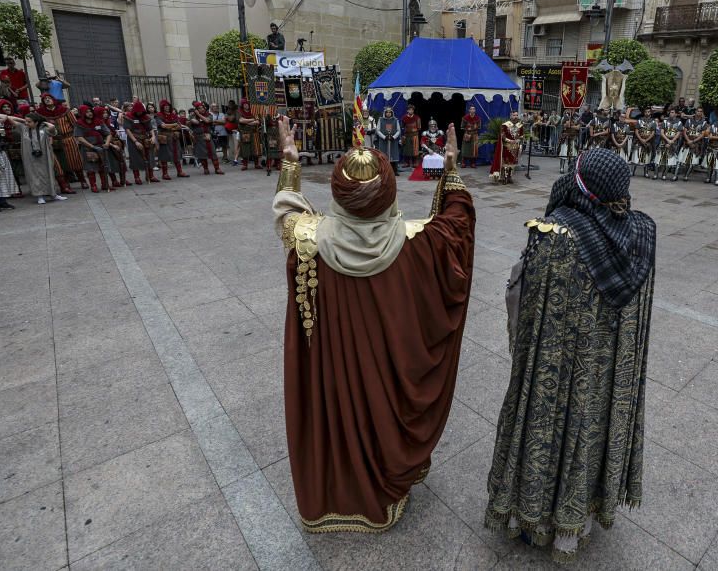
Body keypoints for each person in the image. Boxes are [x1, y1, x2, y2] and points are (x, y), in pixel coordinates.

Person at [272, 117, 474, 534]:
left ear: (337, 192)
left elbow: (285, 216)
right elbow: (457, 224)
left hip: (337, 366)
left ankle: (343, 489)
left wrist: (290, 165)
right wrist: (450, 170)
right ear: (389, 192)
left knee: (344, 405)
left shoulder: (308, 239)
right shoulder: (419, 241)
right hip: (389, 364)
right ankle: (386, 479)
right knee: (382, 405)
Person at [485, 148, 655, 562]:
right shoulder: (643, 234)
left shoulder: (553, 234)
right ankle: (583, 514)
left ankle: (537, 518)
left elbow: (523, 304)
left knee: (548, 425)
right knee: (594, 426)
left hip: (555, 368)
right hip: (608, 371)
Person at [2, 112, 66, 204]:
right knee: (33, 176)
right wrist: (25, 120)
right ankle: (40, 196)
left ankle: (53, 194)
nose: (26, 123)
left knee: (48, 174)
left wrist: (43, 122)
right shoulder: (23, 128)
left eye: (29, 122)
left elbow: (52, 127)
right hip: (30, 157)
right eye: (26, 121)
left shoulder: (44, 129)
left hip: (45, 156)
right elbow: (9, 118)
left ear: (36, 122)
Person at [35, 92, 84, 192]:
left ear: (53, 99)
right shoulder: (40, 113)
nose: (47, 100)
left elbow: (75, 124)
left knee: (75, 159)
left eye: (49, 98)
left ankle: (82, 180)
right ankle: (65, 185)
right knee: (58, 164)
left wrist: (77, 138)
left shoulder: (65, 110)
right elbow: (38, 126)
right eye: (45, 99)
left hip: (68, 138)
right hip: (52, 141)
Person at [73, 103, 109, 192]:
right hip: (87, 149)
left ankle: (105, 184)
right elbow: (79, 137)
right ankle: (93, 186)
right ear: (82, 113)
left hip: (100, 147)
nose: (90, 113)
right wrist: (92, 146)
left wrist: (107, 143)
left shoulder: (98, 121)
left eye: (90, 111)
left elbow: (108, 133)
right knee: (91, 169)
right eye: (87, 112)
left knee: (102, 166)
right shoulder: (79, 123)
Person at [123, 101, 160, 184]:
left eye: (141, 111)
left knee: (149, 157)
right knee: (135, 158)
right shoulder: (129, 116)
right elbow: (127, 130)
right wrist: (135, 141)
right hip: (134, 139)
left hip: (145, 139)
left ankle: (150, 176)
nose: (139, 112)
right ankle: (137, 177)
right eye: (138, 111)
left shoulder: (145, 117)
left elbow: (150, 128)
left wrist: (153, 137)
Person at [155, 100, 189, 179]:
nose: (167, 107)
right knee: (164, 155)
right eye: (165, 106)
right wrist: (173, 125)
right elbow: (163, 126)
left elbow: (179, 126)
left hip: (174, 137)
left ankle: (180, 172)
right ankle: (165, 174)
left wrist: (170, 126)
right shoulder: (158, 115)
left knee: (177, 154)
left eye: (168, 106)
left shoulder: (173, 115)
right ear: (162, 107)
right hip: (165, 138)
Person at [189, 101, 223, 175]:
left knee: (213, 153)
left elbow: (207, 120)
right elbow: (196, 122)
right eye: (199, 108)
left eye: (202, 107)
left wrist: (198, 115)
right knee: (202, 154)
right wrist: (198, 117)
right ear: (196, 109)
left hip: (207, 136)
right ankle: (206, 169)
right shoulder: (192, 116)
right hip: (199, 137)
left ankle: (217, 169)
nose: (202, 109)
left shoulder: (209, 114)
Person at [369, 106, 402, 176]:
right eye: (387, 112)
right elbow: (378, 130)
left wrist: (393, 137)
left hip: (393, 140)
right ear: (385, 113)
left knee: (393, 154)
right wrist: (384, 137)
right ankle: (383, 170)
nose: (388, 113)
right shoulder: (381, 120)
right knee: (383, 155)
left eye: (390, 112)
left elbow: (398, 130)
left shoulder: (395, 120)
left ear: (392, 113)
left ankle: (394, 170)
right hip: (383, 141)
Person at [679, 108, 708, 181]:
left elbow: (702, 134)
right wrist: (688, 140)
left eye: (701, 111)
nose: (699, 112)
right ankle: (678, 174)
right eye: (698, 111)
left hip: (697, 143)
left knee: (693, 161)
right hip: (687, 142)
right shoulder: (689, 120)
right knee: (682, 159)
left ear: (702, 113)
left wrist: (693, 141)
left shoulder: (704, 122)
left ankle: (686, 176)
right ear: (695, 112)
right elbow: (684, 132)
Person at [653, 109, 682, 180]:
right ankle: (655, 174)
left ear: (676, 114)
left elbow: (678, 134)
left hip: (673, 143)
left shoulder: (679, 123)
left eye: (672, 112)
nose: (670, 114)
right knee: (658, 159)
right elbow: (662, 133)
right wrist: (668, 140)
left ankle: (664, 175)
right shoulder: (665, 121)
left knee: (669, 161)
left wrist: (671, 141)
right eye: (670, 112)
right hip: (663, 141)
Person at [237, 100, 262, 171]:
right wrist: (252, 120)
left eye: (247, 104)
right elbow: (241, 120)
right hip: (245, 133)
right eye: (245, 104)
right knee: (245, 148)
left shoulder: (254, 111)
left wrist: (247, 122)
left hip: (254, 133)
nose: (246, 105)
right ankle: (245, 165)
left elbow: (257, 121)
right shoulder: (240, 112)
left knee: (255, 148)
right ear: (242, 105)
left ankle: (256, 164)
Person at [401, 104, 422, 168]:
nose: (411, 111)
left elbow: (419, 127)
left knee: (414, 149)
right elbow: (402, 127)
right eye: (409, 110)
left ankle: (414, 162)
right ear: (407, 110)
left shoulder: (417, 118)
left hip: (414, 135)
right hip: (406, 135)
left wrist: (414, 130)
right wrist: (403, 135)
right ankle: (407, 163)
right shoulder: (404, 118)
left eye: (412, 110)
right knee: (406, 149)